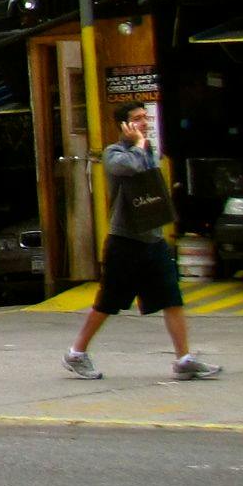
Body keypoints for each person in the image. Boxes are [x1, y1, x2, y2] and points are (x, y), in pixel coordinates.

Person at [66, 100, 222, 380]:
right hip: (125, 242)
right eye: (136, 119)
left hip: (153, 240)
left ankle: (183, 358)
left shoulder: (149, 152)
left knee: (172, 298)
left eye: (144, 117)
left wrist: (142, 145)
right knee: (108, 302)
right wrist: (137, 143)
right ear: (124, 125)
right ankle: (76, 352)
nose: (144, 122)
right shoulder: (114, 154)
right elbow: (130, 168)